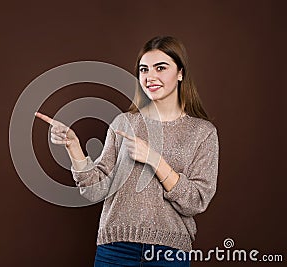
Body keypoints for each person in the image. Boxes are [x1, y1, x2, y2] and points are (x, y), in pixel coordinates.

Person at [35, 36, 219, 267]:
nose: (150, 77)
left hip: (168, 253)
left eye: (160, 68)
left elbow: (196, 201)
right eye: (144, 70)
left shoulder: (202, 132)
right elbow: (95, 190)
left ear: (180, 73)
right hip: (115, 250)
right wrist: (74, 148)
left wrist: (156, 161)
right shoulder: (124, 123)